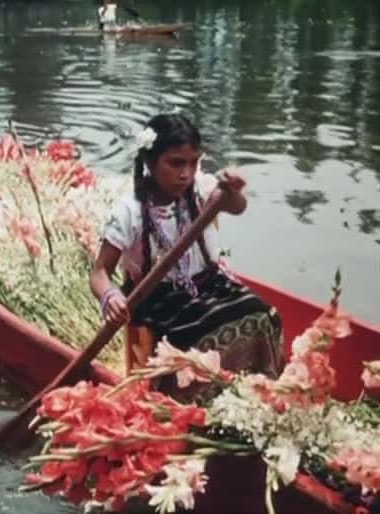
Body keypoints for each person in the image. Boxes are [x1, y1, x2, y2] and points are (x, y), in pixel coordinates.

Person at [90, 113, 284, 386]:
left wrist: (234, 191)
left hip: (209, 284)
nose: (186, 174)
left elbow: (237, 207)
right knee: (203, 336)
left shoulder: (201, 189)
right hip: (157, 298)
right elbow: (99, 272)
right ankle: (199, 403)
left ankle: (256, 392)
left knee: (264, 315)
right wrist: (110, 297)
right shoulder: (129, 210)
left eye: (193, 163)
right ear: (149, 162)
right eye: (176, 163)